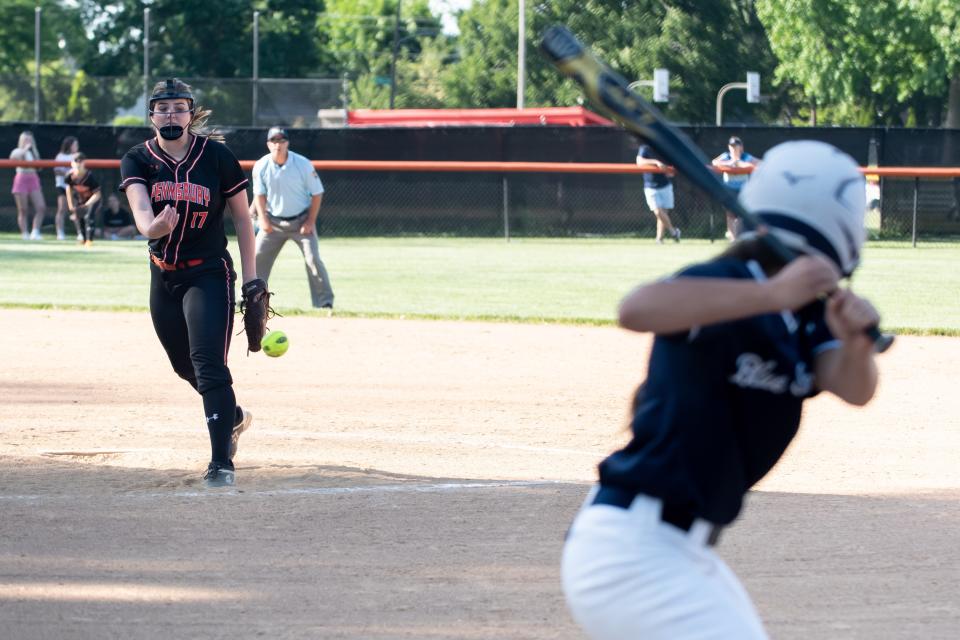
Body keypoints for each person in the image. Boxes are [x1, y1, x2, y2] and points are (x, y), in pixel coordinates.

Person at [561, 141, 880, 640]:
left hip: (680, 551)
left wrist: (856, 341)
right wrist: (771, 294)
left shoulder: (808, 315)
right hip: (631, 549)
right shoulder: (729, 280)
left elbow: (854, 388)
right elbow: (636, 308)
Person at [119, 78, 259, 488]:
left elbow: (243, 219)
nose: (171, 115)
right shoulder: (137, 159)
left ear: (190, 113)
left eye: (179, 108)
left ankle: (221, 464)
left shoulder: (216, 157)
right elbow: (142, 213)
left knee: (209, 365)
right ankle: (231, 415)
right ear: (151, 116)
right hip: (163, 275)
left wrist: (252, 279)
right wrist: (154, 227)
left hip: (209, 273)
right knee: (183, 365)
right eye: (162, 109)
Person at [251, 126, 334, 309]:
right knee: (256, 258)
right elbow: (259, 194)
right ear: (268, 144)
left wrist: (310, 221)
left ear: (287, 143)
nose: (278, 145)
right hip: (272, 222)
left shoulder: (303, 164)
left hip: (301, 221)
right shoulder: (261, 165)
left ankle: (325, 303)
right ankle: (253, 300)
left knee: (313, 259)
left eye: (281, 141)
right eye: (274, 141)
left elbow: (317, 193)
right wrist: (263, 219)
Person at [713, 136, 760, 240]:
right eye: (732, 146)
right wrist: (730, 163)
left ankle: (740, 236)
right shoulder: (725, 156)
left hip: (743, 190)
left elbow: (758, 163)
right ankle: (732, 238)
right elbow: (714, 162)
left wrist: (739, 163)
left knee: (741, 214)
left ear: (741, 147)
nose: (734, 148)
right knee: (730, 213)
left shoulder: (746, 157)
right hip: (728, 189)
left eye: (736, 146)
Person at [636, 144, 681, 243]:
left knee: (662, 215)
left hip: (665, 185)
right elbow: (639, 162)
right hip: (650, 186)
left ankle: (659, 239)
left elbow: (672, 167)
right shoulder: (645, 147)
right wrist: (656, 162)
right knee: (657, 212)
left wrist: (670, 171)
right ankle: (673, 232)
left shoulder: (665, 147)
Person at [9, 131, 47, 240]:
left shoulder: (34, 152)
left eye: (30, 139)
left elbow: (39, 166)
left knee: (41, 207)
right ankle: (24, 233)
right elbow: (13, 158)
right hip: (21, 178)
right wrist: (25, 149)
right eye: (26, 139)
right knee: (23, 209)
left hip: (33, 178)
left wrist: (33, 153)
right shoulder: (17, 150)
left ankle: (35, 231)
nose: (28, 142)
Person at [64, 154, 102, 248]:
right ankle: (84, 239)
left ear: (84, 163)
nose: (78, 163)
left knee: (89, 217)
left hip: (93, 200)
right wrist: (70, 204)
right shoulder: (69, 176)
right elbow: (68, 189)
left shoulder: (89, 176)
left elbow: (97, 194)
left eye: (80, 161)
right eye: (75, 161)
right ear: (72, 163)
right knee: (80, 218)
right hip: (81, 199)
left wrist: (87, 204)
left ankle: (89, 240)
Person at [54, 136, 80, 241]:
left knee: (76, 209)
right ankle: (60, 233)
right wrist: (67, 173)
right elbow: (56, 171)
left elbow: (80, 171)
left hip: (74, 186)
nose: (77, 147)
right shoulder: (59, 156)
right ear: (69, 146)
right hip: (62, 186)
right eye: (75, 144)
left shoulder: (77, 156)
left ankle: (80, 232)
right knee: (61, 209)